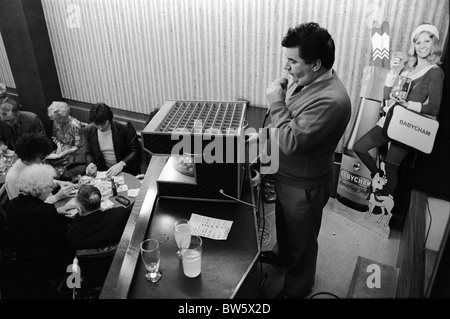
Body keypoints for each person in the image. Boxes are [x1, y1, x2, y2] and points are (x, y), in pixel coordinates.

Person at [260, 22, 352, 298]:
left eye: (292, 60)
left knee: (303, 243)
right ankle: (282, 255)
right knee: (285, 228)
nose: (286, 67)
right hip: (288, 176)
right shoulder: (312, 81)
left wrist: (276, 101)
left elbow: (290, 140)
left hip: (305, 185)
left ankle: (296, 289)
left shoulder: (332, 101)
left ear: (315, 64)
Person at [354, 23, 444, 199]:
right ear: (414, 45)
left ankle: (382, 203)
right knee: (360, 147)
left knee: (391, 166)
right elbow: (387, 95)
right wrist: (394, 71)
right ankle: (377, 178)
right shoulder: (408, 69)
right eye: (418, 42)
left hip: (407, 124)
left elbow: (434, 107)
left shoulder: (435, 72)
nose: (422, 46)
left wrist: (407, 104)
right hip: (390, 118)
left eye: (427, 41)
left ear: (434, 44)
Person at [6, 164, 75, 298]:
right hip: (47, 263)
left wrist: (55, 211)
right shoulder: (45, 211)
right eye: (50, 187)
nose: (51, 191)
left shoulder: (12, 205)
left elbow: (32, 217)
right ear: (41, 189)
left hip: (24, 259)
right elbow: (62, 237)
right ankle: (75, 285)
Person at [5, 134, 75, 204]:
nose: (42, 161)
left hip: (47, 201)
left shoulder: (33, 163)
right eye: (41, 158)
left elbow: (41, 180)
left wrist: (58, 183)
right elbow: (26, 207)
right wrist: (57, 197)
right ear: (29, 156)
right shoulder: (13, 178)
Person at [84, 102, 141, 178]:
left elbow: (135, 151)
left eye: (104, 124)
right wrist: (90, 163)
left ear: (109, 119)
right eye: (96, 124)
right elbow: (88, 152)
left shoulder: (125, 127)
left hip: (126, 170)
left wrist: (122, 164)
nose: (100, 128)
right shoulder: (88, 130)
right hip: (104, 172)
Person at [66, 184, 131, 250]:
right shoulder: (120, 214)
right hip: (121, 254)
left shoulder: (73, 234)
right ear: (100, 200)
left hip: (93, 260)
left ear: (79, 210)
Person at [46, 101, 87, 179]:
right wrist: (59, 146)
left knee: (56, 171)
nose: (56, 122)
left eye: (58, 120)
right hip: (61, 150)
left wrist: (65, 152)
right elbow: (55, 137)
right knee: (44, 164)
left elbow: (79, 146)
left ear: (63, 117)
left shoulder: (75, 125)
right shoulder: (56, 121)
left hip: (74, 154)